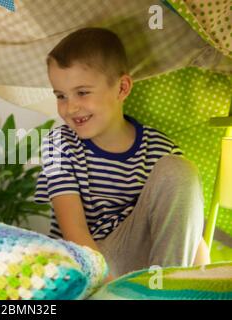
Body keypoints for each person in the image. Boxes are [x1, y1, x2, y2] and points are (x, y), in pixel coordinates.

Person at [34, 27, 210, 278]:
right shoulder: (58, 145)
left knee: (179, 169)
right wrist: (111, 289)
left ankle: (170, 289)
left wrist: (204, 281)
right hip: (87, 265)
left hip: (151, 268)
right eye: (61, 95)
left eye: (82, 92)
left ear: (122, 88)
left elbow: (185, 233)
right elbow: (75, 234)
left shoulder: (162, 150)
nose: (70, 107)